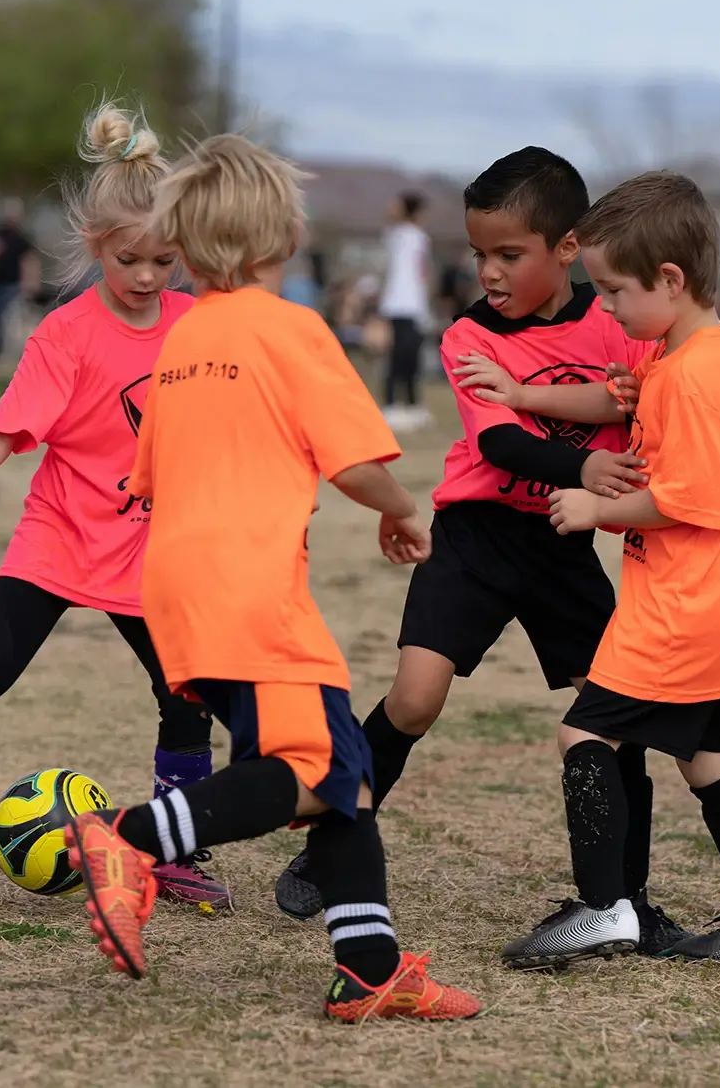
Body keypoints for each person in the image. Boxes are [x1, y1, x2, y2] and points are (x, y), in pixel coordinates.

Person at [62, 133, 482, 1023]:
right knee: (316, 768)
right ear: (280, 236)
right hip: (252, 589)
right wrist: (403, 509)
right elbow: (354, 462)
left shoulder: (182, 340)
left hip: (179, 588)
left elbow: (147, 474)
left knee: (345, 779)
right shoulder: (290, 327)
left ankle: (369, 969)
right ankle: (132, 837)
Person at [274, 146, 689, 957]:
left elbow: (637, 396)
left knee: (616, 717)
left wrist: (609, 423)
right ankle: (331, 842)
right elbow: (500, 443)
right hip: (474, 538)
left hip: (562, 545)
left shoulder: (618, 319)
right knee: (413, 702)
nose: (489, 271)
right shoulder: (470, 334)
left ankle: (626, 898)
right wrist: (583, 463)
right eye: (478, 254)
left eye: (509, 254)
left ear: (568, 247)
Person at [0, 103, 228, 910]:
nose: (146, 276)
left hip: (152, 551)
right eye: (128, 258)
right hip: (62, 536)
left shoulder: (200, 325)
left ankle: (175, 848)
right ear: (94, 244)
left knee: (186, 692)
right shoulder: (66, 334)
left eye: (164, 260)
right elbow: (2, 432)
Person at [504, 172, 720, 966]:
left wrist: (593, 507)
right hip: (711, 600)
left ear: (670, 280)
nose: (605, 307)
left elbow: (695, 500)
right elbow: (639, 410)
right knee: (705, 758)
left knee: (584, 732)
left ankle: (605, 908)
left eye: (614, 291)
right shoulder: (685, 354)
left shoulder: (695, 376)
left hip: (682, 605)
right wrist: (628, 391)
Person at [379, 191, 433, 431]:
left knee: (412, 358)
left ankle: (412, 405)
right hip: (399, 305)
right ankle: (391, 405)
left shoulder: (416, 237)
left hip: (413, 306)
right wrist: (399, 210)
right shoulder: (402, 235)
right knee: (398, 357)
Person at [0, 197, 41, 358]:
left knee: (10, 317)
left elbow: (29, 261)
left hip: (14, 284)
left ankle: (7, 350)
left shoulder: (23, 238)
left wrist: (30, 283)